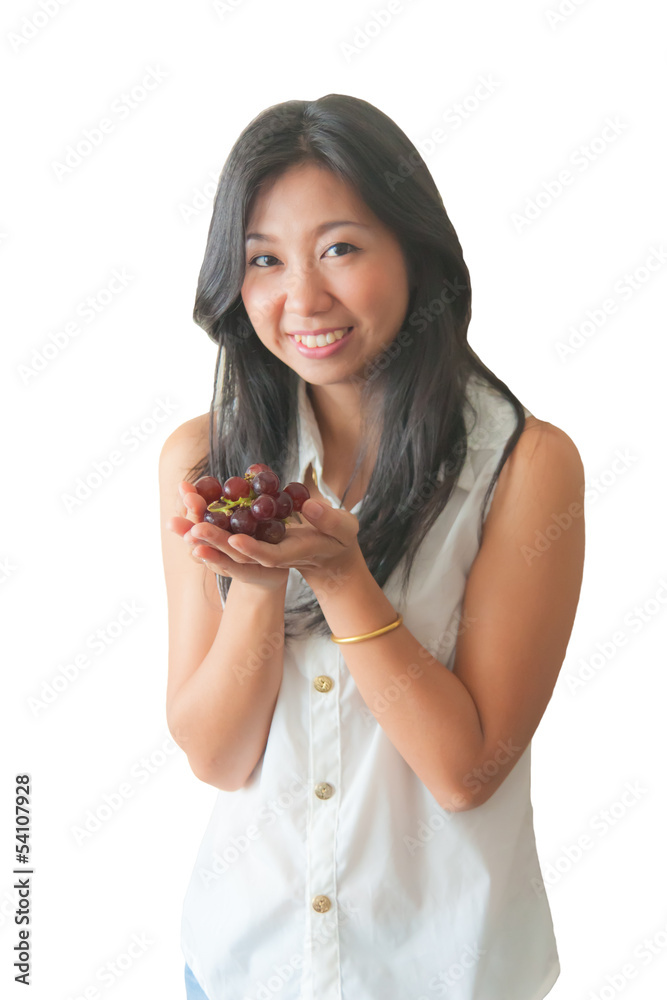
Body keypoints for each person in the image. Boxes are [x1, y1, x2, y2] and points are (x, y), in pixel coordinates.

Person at [159, 94, 585, 1000]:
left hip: (445, 971)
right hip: (242, 966)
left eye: (339, 249)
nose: (301, 298)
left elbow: (464, 773)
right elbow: (215, 757)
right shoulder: (205, 461)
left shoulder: (523, 465)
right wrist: (260, 584)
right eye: (262, 260)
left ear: (415, 254)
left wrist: (340, 576)